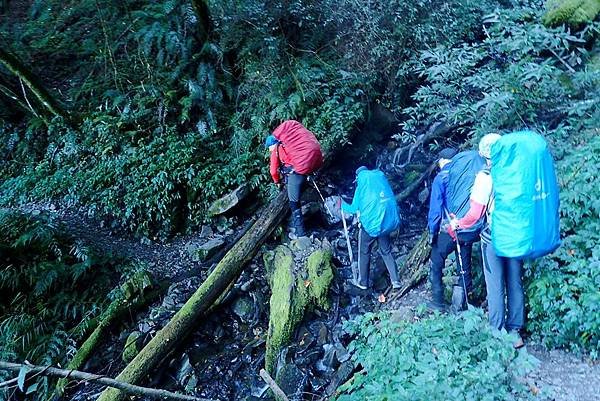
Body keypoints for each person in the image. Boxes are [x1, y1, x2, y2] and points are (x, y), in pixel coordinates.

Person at [449, 133, 525, 348]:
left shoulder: (485, 177)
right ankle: (515, 332)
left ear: (483, 155)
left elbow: (475, 214)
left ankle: (497, 331)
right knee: (515, 282)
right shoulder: (516, 172)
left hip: (494, 237)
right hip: (516, 235)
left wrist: (458, 224)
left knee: (495, 286)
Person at [341, 166, 402, 290]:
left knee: (364, 251)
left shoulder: (361, 185)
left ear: (357, 177)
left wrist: (341, 204)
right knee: (386, 251)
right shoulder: (380, 179)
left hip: (371, 226)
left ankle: (363, 283)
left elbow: (353, 209)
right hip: (385, 222)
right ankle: (396, 281)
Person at [266, 120, 323, 238]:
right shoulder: (290, 145)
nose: (269, 151)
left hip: (296, 173)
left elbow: (273, 171)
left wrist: (277, 182)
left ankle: (301, 233)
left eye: (269, 148)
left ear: (272, 145)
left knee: (294, 202)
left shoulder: (277, 148)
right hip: (310, 165)